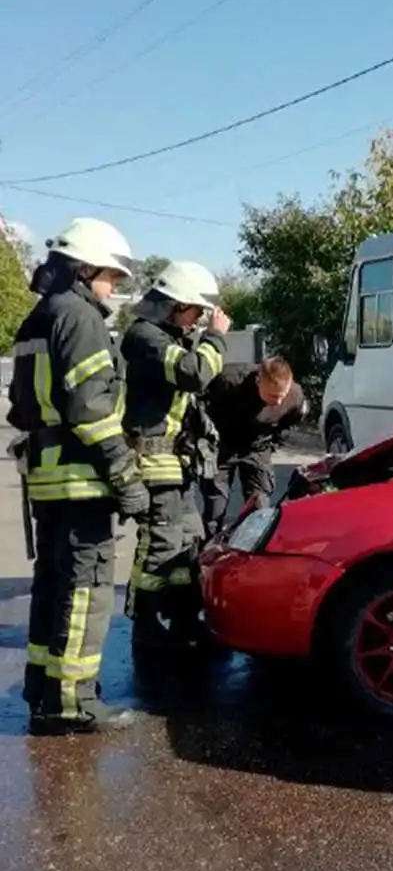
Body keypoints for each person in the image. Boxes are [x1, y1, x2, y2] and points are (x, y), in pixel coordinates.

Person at [7, 217, 149, 735]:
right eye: (111, 276)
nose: (113, 288)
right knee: (87, 588)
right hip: (82, 479)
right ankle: (73, 701)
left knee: (52, 583)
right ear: (86, 269)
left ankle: (44, 690)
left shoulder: (35, 319)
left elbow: (20, 406)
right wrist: (126, 475)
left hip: (46, 480)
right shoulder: (81, 318)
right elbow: (92, 410)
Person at [120, 260, 230, 651]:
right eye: (196, 311)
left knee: (189, 543)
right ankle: (144, 621)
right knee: (160, 543)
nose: (198, 319)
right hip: (153, 463)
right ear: (177, 304)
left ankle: (184, 618)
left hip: (176, 464)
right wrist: (216, 338)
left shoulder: (165, 337)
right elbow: (195, 372)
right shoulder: (145, 337)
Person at [199, 356, 306, 539]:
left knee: (259, 508)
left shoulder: (295, 396)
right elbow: (200, 405)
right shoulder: (229, 380)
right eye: (273, 396)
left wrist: (273, 442)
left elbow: (292, 420)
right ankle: (207, 555)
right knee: (215, 507)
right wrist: (204, 438)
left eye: (282, 395)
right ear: (259, 381)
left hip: (258, 447)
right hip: (222, 446)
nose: (279, 401)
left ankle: (251, 554)